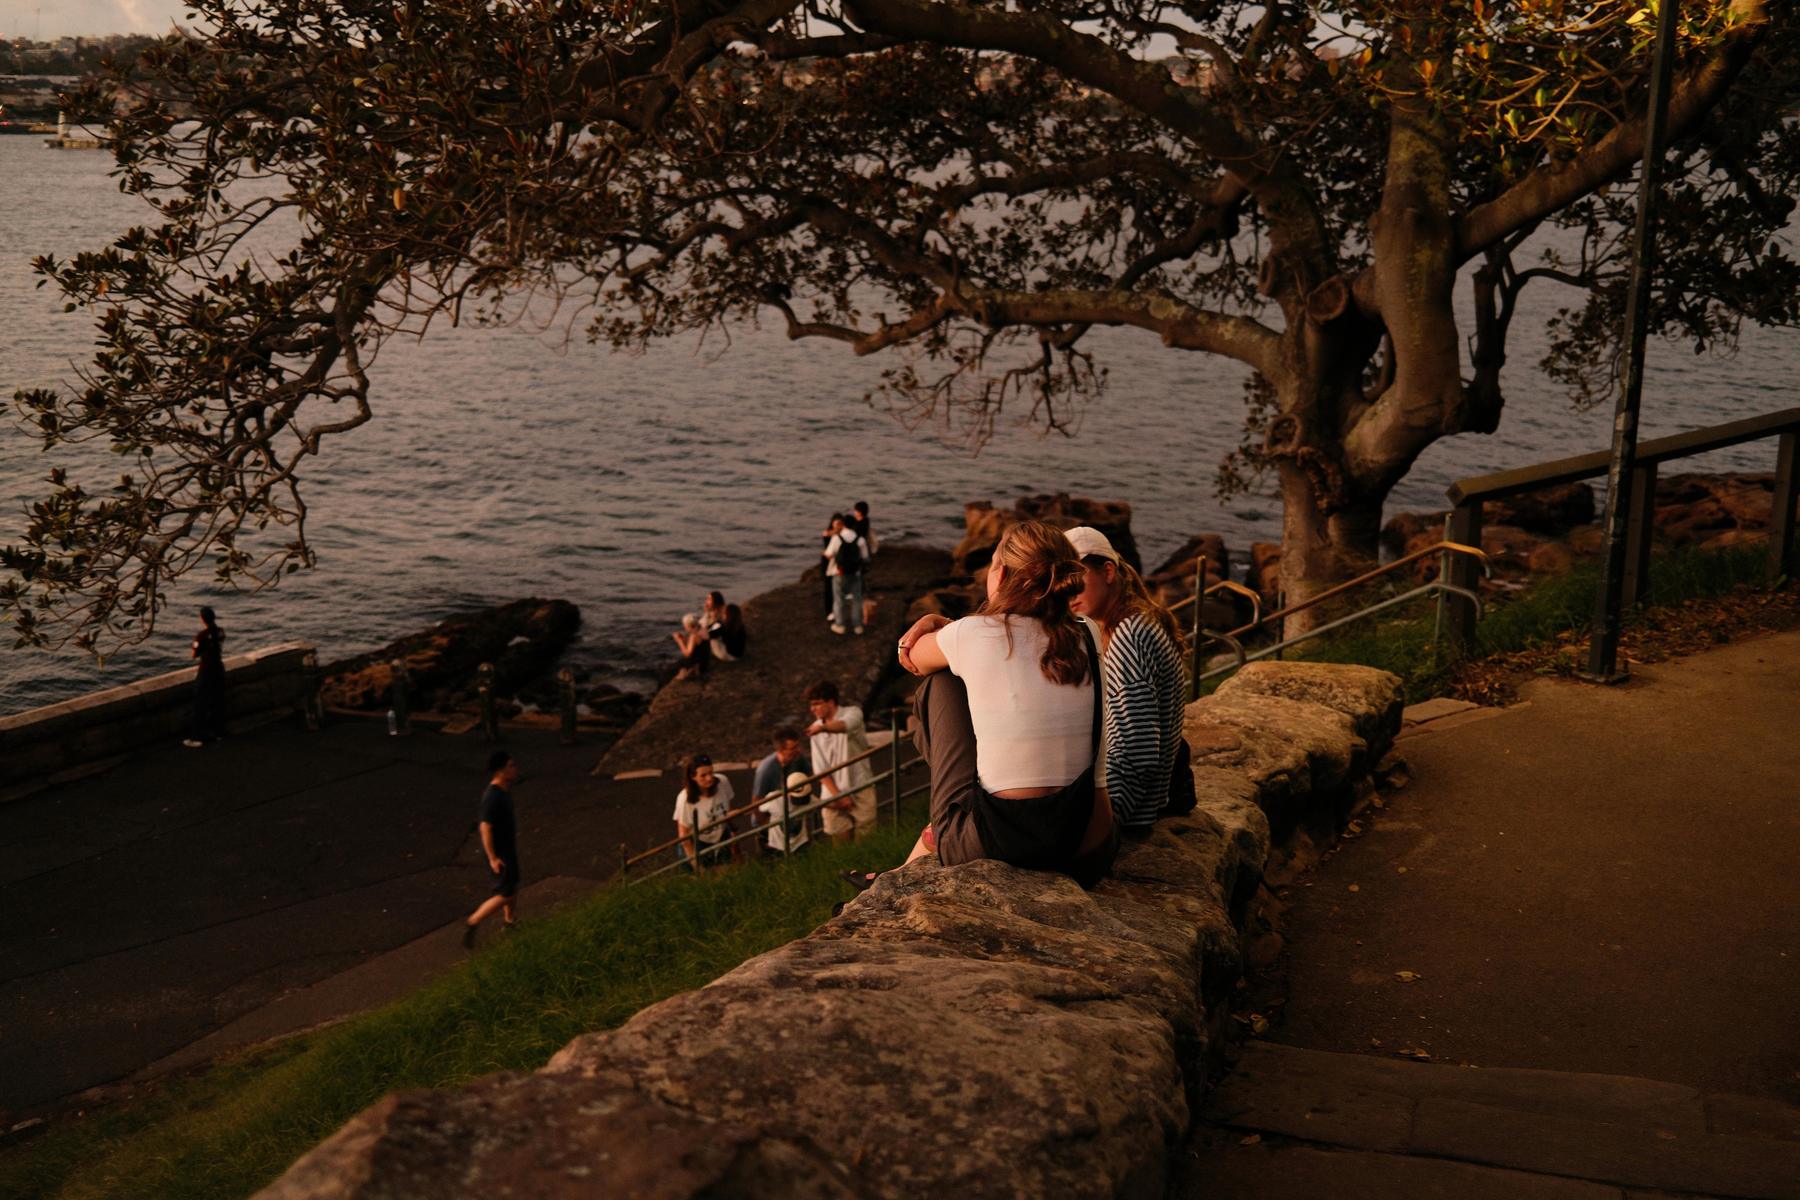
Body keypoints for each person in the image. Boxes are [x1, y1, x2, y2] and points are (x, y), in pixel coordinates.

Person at [884, 519, 1116, 888]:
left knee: (940, 681)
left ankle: (954, 814)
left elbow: (913, 657)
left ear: (1002, 574)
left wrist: (935, 624)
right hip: (1088, 847)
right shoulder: (1086, 630)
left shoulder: (971, 633)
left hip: (1003, 844)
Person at [1066, 526, 1190, 837]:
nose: (1069, 593)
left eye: (1077, 579)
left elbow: (1137, 750)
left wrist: (1103, 826)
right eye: (1062, 583)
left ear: (1108, 572)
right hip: (1142, 802)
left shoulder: (1127, 636)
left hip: (1129, 815)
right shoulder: (1131, 622)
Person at [462, 750, 522, 948]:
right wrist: (492, 857)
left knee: (511, 887)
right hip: (500, 854)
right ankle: (474, 920)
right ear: (501, 771)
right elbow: (485, 826)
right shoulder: (493, 796)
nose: (515, 769)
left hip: (507, 850)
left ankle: (510, 922)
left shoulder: (504, 790)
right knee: (506, 894)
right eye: (511, 766)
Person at [806, 679, 877, 842]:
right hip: (832, 794)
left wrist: (823, 728)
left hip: (860, 784)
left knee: (866, 839)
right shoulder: (815, 729)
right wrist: (839, 796)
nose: (812, 709)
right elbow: (820, 770)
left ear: (830, 702)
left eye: (816, 704)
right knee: (840, 843)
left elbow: (846, 726)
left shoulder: (852, 712)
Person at [672, 752, 738, 869]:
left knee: (726, 874)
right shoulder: (685, 800)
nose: (709, 778)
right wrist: (697, 865)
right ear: (693, 777)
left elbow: (727, 807)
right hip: (698, 843)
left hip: (720, 835)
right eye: (703, 775)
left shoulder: (722, 782)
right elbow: (684, 836)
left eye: (711, 772)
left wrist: (733, 833)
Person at [181, 606, 227, 748]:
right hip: (219, 669)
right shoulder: (221, 631)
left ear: (202, 619)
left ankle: (196, 737)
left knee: (200, 703)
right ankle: (218, 732)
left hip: (206, 671)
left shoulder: (201, 636)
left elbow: (194, 654)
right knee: (217, 701)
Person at [823, 514, 867, 636]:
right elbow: (865, 557)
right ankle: (858, 626)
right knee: (857, 599)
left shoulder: (837, 538)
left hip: (839, 573)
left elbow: (828, 554)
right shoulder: (860, 539)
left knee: (839, 600)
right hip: (856, 574)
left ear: (843, 524)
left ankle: (840, 625)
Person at [759, 770, 815, 855]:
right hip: (782, 845)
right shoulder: (774, 798)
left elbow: (761, 808)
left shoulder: (773, 798)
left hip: (796, 843)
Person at [672, 613, 709, 681]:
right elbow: (697, 645)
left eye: (685, 626)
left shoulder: (694, 636)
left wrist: (679, 641)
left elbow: (687, 654)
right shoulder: (703, 630)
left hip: (698, 665)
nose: (685, 628)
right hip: (704, 663)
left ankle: (688, 671)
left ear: (689, 626)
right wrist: (684, 639)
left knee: (673, 668)